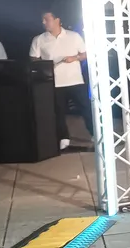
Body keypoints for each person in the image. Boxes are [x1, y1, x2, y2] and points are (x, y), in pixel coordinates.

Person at [29, 10, 92, 151]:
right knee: (58, 111)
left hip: (75, 80)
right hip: (54, 82)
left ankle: (94, 133)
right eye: (42, 20)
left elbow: (84, 54)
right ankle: (63, 138)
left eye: (46, 19)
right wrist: (44, 65)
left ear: (57, 20)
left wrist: (74, 58)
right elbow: (34, 58)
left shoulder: (73, 36)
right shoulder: (39, 39)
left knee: (85, 108)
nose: (43, 22)